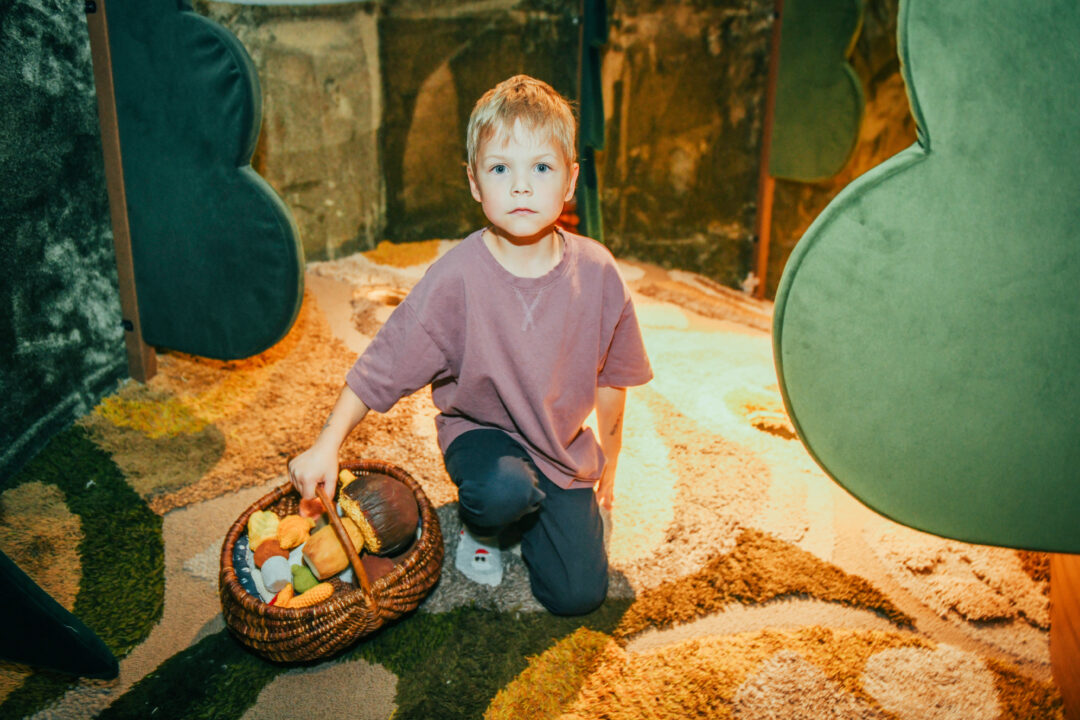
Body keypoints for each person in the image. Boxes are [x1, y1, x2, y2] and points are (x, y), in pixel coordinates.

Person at [288, 74, 652, 616]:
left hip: (560, 446)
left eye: (541, 168)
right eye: (501, 169)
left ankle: (535, 516)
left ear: (571, 180)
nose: (521, 186)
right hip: (482, 436)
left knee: (578, 596)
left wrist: (611, 464)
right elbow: (383, 363)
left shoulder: (598, 272)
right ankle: (482, 528)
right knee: (503, 492)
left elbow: (612, 379)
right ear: (475, 182)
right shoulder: (455, 277)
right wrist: (327, 442)